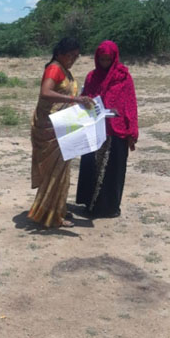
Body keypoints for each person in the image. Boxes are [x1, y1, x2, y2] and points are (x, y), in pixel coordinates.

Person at [28, 38, 95, 228]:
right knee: (54, 172)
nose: (73, 60)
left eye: (76, 57)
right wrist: (74, 99)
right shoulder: (54, 69)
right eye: (70, 56)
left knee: (62, 169)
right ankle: (48, 214)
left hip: (62, 125)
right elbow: (45, 92)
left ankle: (56, 209)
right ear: (60, 54)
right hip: (50, 127)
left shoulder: (64, 69)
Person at [76, 40, 138, 218]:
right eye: (101, 59)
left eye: (107, 59)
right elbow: (85, 98)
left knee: (113, 170)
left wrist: (132, 129)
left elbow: (130, 103)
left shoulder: (123, 77)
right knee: (91, 167)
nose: (104, 63)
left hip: (116, 131)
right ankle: (89, 205)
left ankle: (109, 207)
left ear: (114, 58)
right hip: (95, 129)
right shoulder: (91, 77)